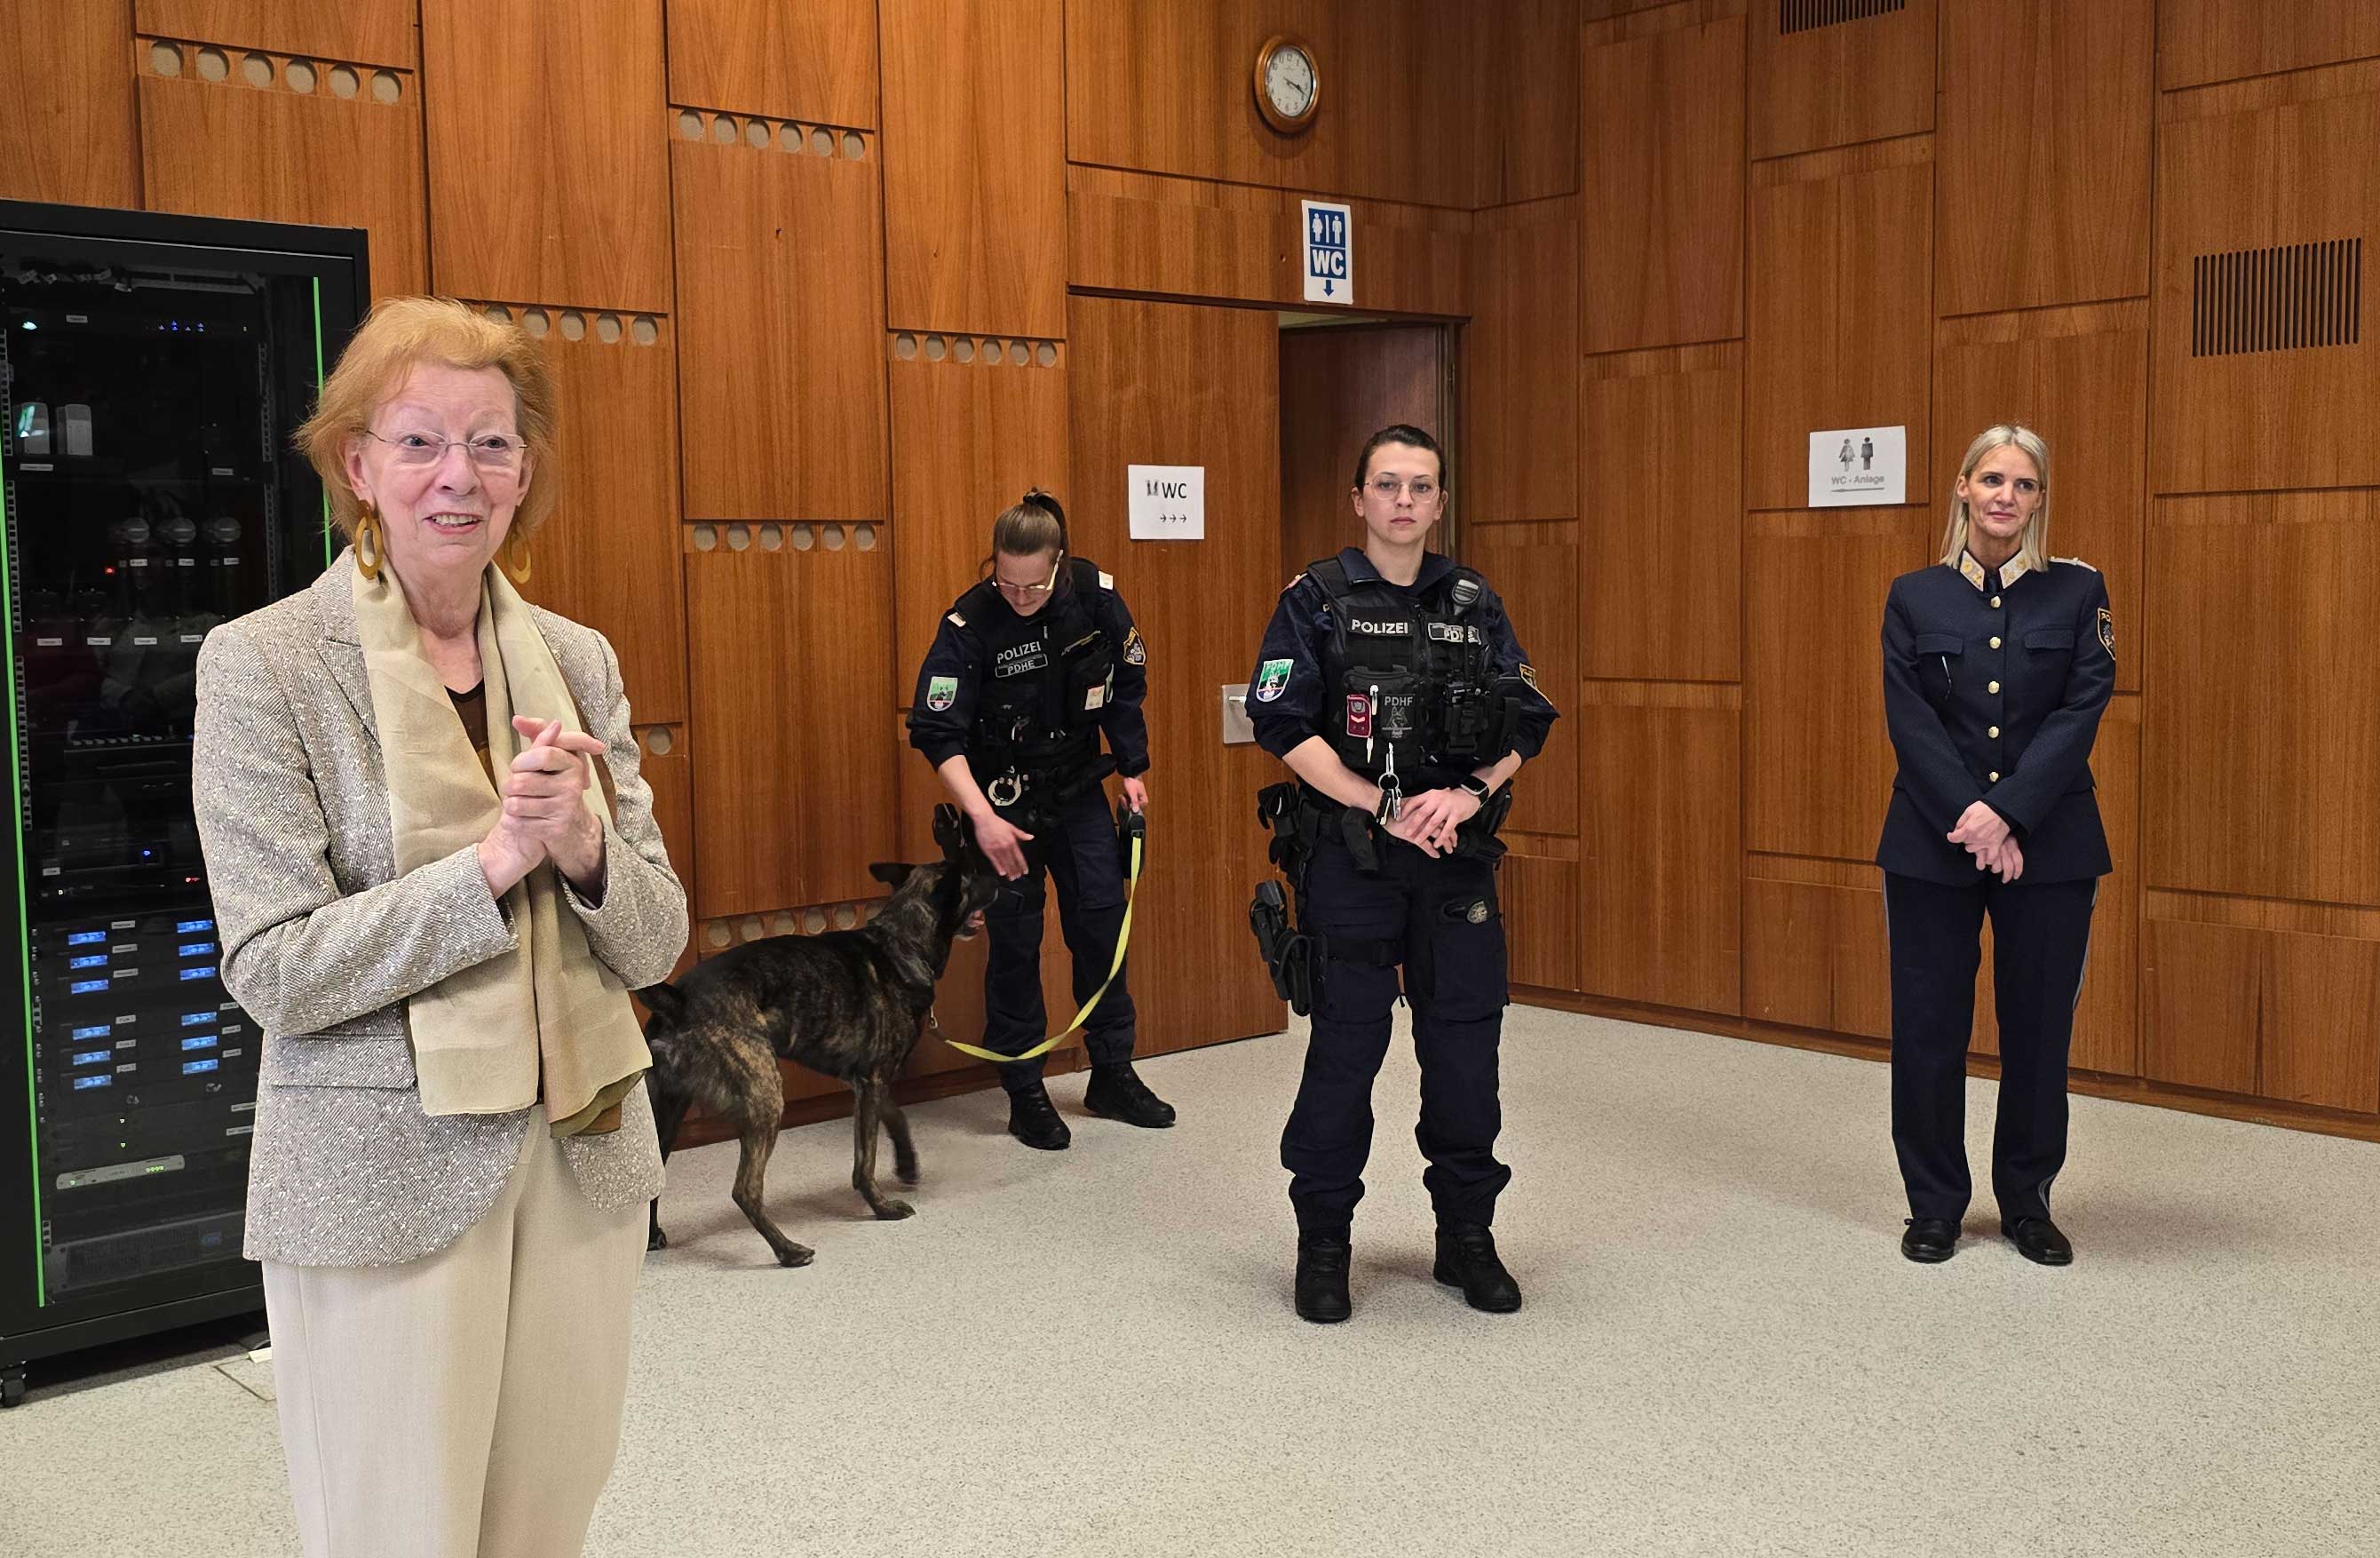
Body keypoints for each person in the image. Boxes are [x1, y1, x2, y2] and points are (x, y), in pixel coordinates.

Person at [190, 297, 687, 1557]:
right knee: (396, 1527)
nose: (457, 475)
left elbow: (657, 941)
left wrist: (581, 848)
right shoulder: (264, 665)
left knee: (544, 1517)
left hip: (578, 1151)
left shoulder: (577, 659)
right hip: (378, 1173)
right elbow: (275, 967)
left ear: (525, 471)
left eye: (491, 443)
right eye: (419, 442)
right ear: (357, 464)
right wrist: (494, 863)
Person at [1247, 424, 1558, 1323]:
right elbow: (1280, 721)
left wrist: (1466, 793)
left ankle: (1466, 1237)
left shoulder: (1473, 599)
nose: (1404, 500)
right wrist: (1376, 804)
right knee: (1345, 1051)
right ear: (1359, 499)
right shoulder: (1315, 598)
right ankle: (1324, 1242)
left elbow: (1528, 720)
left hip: (1452, 857)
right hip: (1352, 858)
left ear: (1439, 502)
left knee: (1464, 1053)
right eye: (1387, 484)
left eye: (1421, 486)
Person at [1878, 423, 2114, 1268]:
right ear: (1963, 488)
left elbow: (2081, 710)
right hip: (1931, 841)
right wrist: (1974, 818)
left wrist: (2007, 813)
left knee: (2039, 1030)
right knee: (1928, 1029)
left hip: (2049, 844)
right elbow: (1910, 720)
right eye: (1991, 479)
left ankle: (2027, 1202)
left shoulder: (2078, 592)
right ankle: (1935, 1204)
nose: (2006, 496)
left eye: (2024, 483)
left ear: (2040, 499)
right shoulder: (1914, 595)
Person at [905, 491, 1176, 1149]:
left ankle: (1111, 1072)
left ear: (1059, 563)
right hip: (1003, 804)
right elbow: (937, 733)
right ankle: (1024, 1090)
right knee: (1016, 946)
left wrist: (1132, 769)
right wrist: (982, 819)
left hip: (1079, 792)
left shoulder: (1094, 598)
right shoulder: (969, 623)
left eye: (1034, 585)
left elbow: (1126, 685)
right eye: (1007, 582)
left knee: (1102, 928)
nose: (1020, 597)